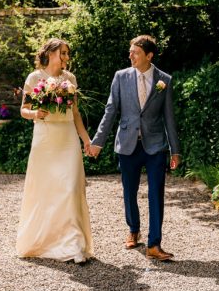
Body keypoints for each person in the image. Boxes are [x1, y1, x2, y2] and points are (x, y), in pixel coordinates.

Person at [88, 35, 181, 261]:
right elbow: (110, 111)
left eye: (135, 52)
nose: (130, 55)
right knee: (129, 192)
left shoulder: (164, 80)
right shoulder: (121, 77)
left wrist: (175, 150)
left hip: (155, 145)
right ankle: (133, 229)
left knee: (156, 194)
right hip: (127, 144)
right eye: (130, 52)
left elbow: (169, 117)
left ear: (149, 56)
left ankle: (154, 245)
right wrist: (97, 142)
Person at [16, 38, 93, 263]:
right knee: (46, 190)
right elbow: (24, 110)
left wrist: (86, 139)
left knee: (70, 189)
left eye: (67, 53)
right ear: (50, 53)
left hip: (68, 137)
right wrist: (35, 114)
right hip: (45, 138)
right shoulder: (34, 78)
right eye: (63, 53)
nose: (66, 58)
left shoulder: (70, 79)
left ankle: (74, 245)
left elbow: (76, 113)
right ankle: (45, 241)